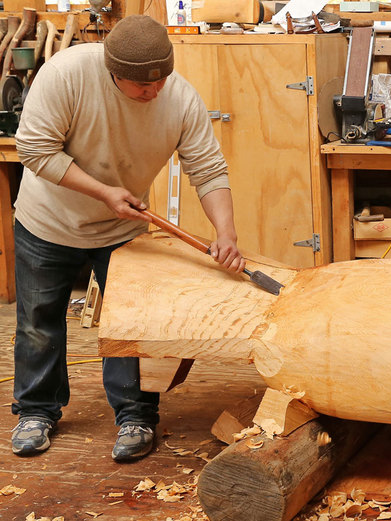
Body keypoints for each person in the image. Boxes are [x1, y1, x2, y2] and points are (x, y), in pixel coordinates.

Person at [10, 15, 246, 462]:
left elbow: (208, 169)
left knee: (130, 324)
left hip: (123, 228)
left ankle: (136, 416)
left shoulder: (178, 98)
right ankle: (36, 411)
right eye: (141, 85)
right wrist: (103, 192)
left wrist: (226, 233)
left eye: (161, 81)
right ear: (112, 70)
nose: (153, 91)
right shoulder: (65, 75)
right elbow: (35, 149)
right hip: (49, 220)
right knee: (38, 322)